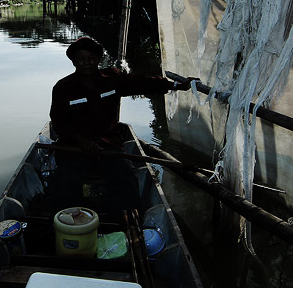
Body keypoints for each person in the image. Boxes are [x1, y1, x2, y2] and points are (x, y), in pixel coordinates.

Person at [48, 36, 189, 212]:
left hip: (108, 145)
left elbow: (142, 83)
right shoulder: (62, 88)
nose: (87, 63)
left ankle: (128, 219)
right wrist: (81, 141)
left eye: (91, 58)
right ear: (74, 62)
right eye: (81, 59)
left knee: (125, 175)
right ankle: (69, 220)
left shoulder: (112, 79)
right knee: (65, 182)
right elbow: (59, 121)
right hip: (74, 147)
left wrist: (174, 85)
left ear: (98, 60)